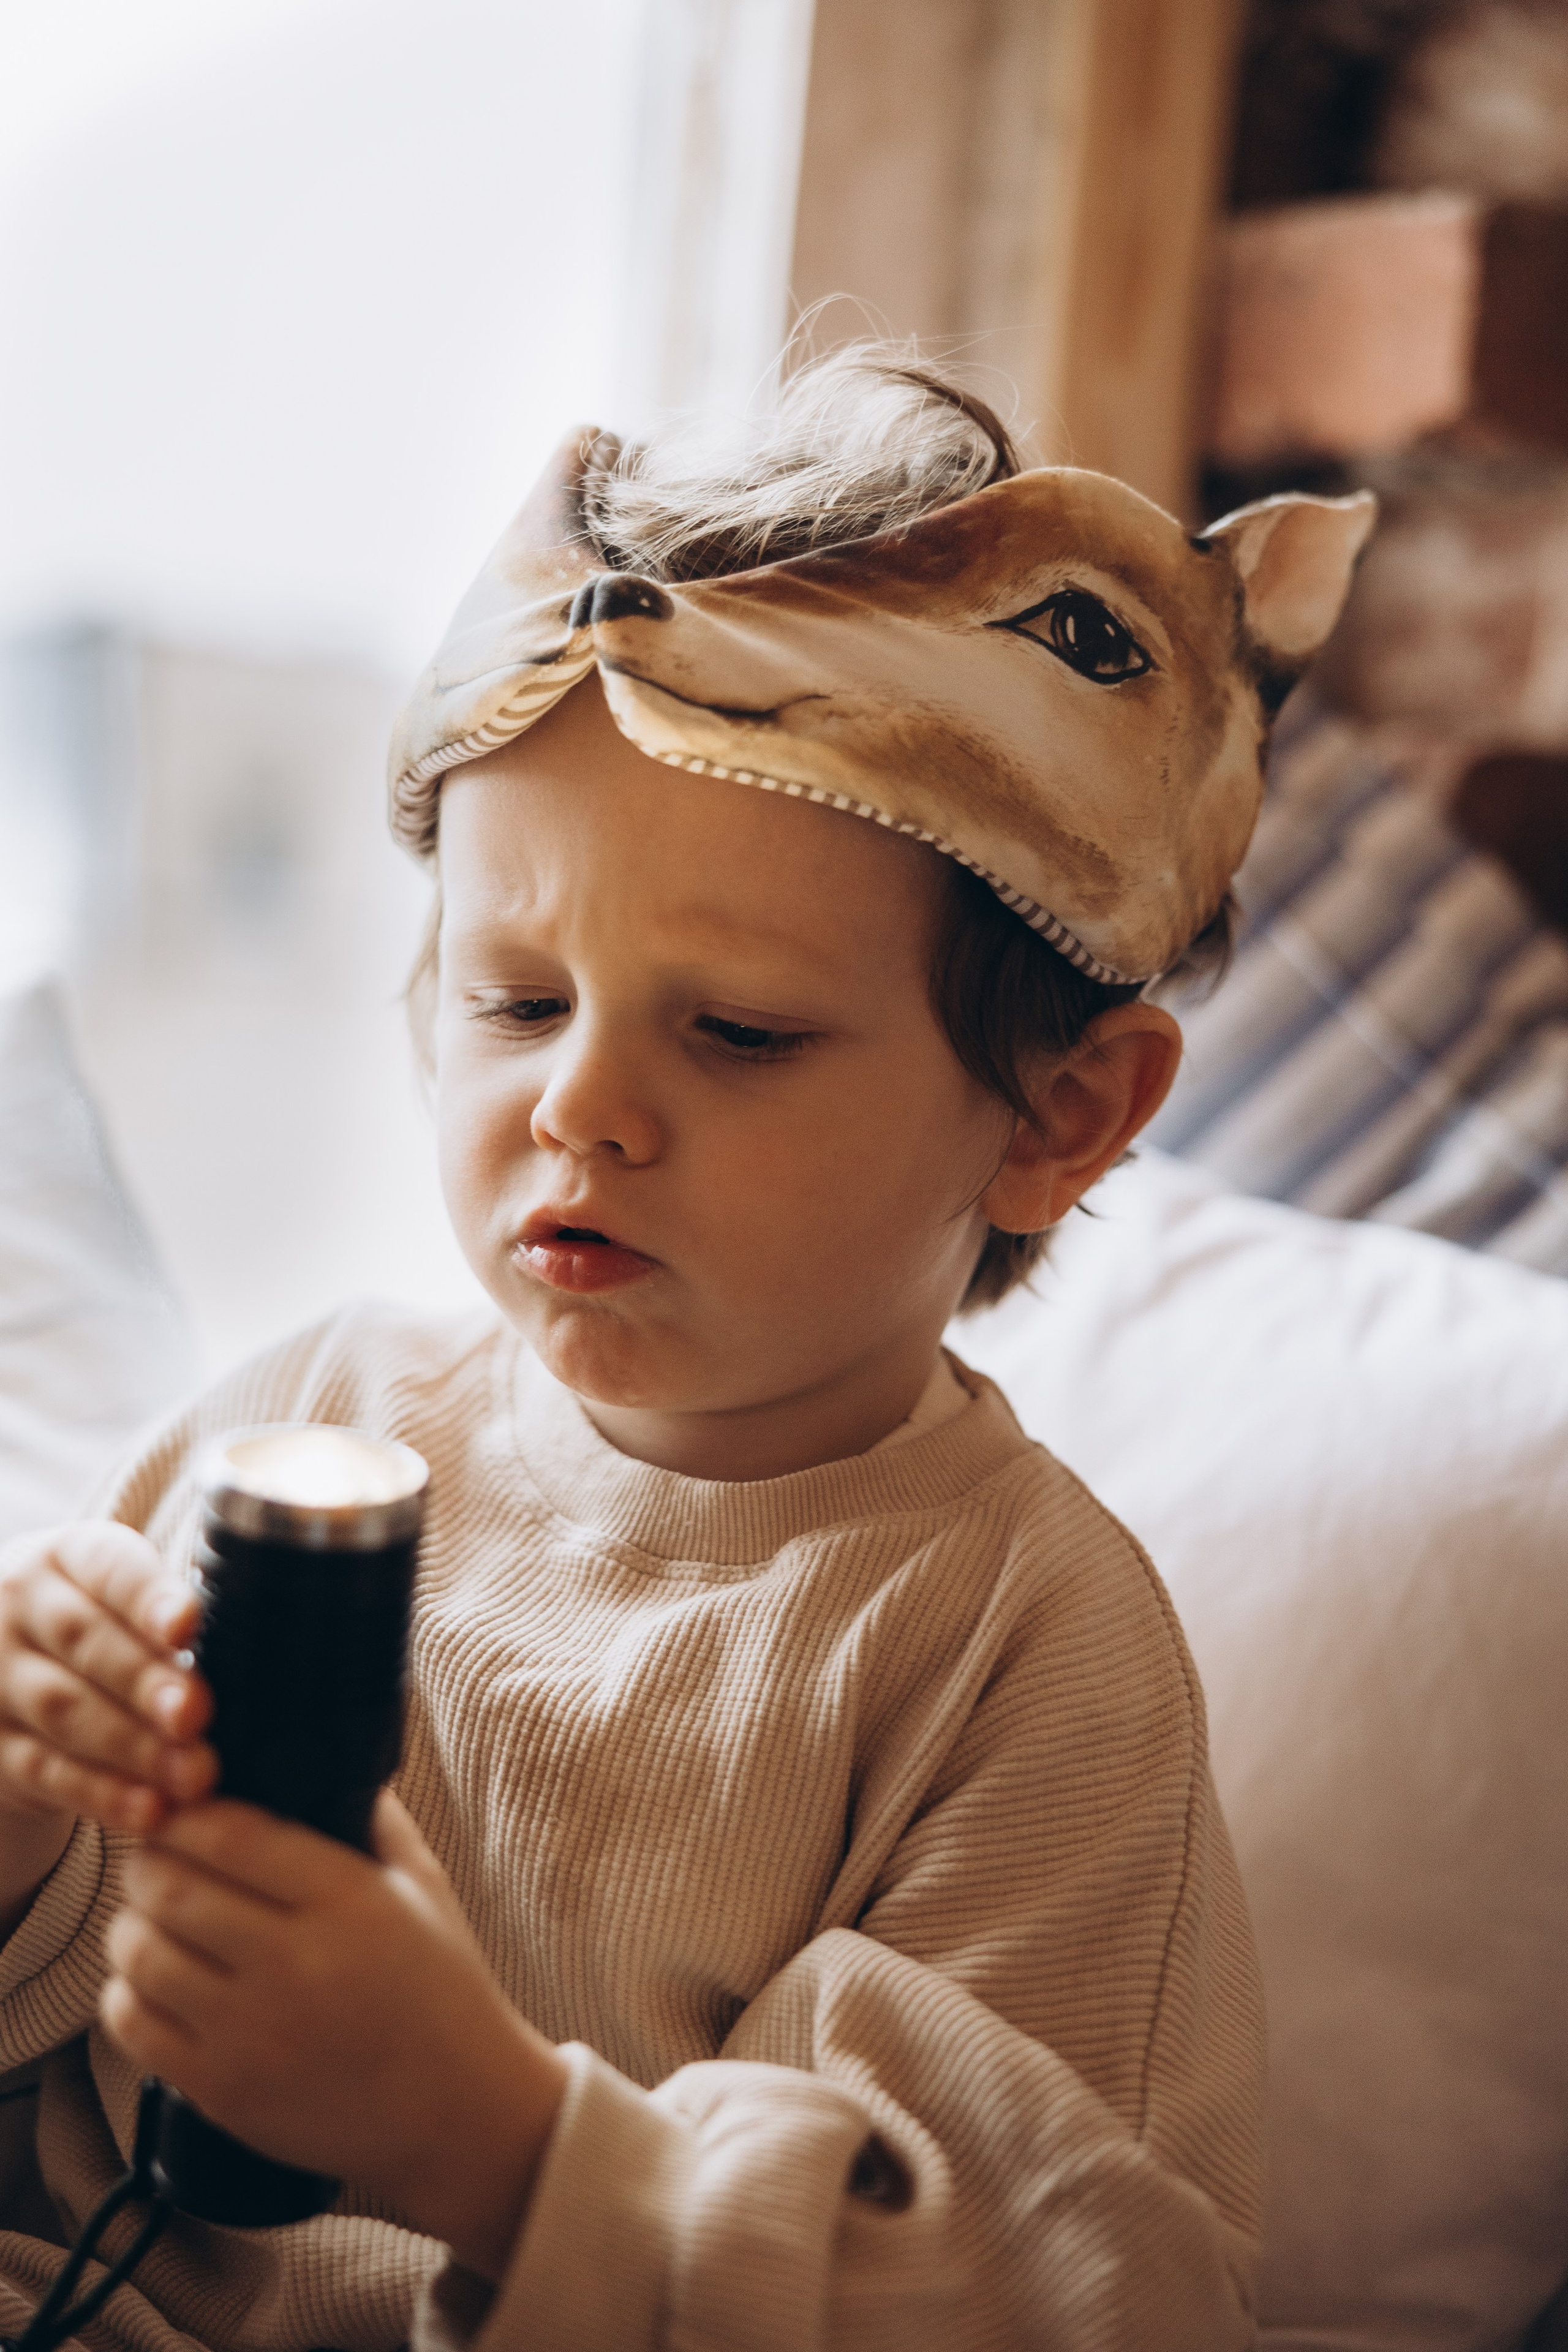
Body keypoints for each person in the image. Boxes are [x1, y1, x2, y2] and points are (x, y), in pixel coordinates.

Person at [0, 353, 1374, 2351]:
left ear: (1058, 1115)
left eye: (736, 1035)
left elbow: (1061, 2293)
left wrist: (490, 2142)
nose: (582, 1109)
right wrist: (32, 1802)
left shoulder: (1014, 1652)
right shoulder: (305, 1421)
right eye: (516, 996)